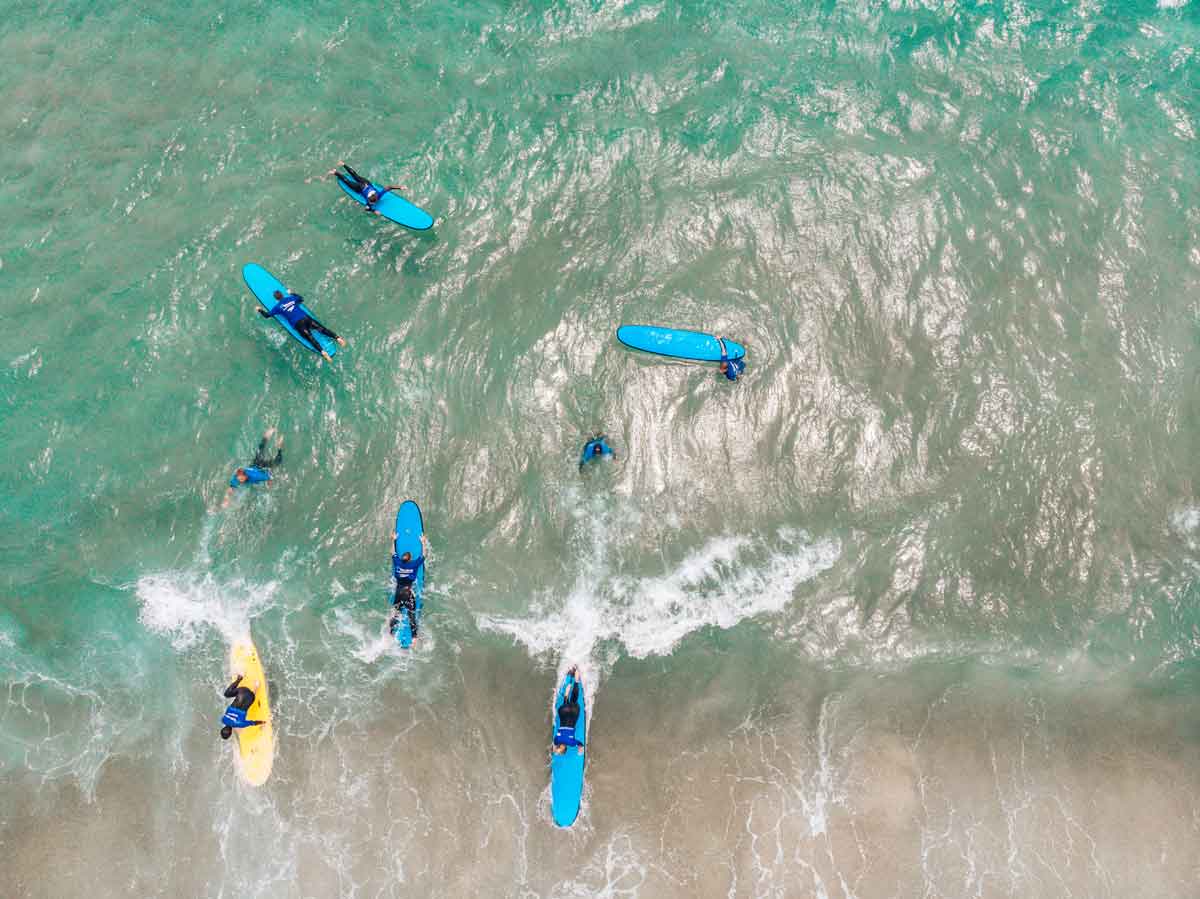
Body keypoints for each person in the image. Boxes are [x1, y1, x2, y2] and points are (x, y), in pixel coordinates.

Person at [258, 289, 346, 362]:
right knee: (322, 329)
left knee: (310, 338)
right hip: (306, 318)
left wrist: (259, 309)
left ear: (276, 299)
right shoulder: (291, 298)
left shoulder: (277, 307)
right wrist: (291, 293)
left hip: (298, 324)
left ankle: (323, 352)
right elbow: (301, 299)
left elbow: (267, 315)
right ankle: (338, 338)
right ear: (282, 295)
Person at [224, 428, 284, 506]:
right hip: (255, 464)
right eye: (239, 479)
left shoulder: (255, 476)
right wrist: (226, 500)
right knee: (260, 449)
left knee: (278, 461)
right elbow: (230, 488)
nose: (240, 481)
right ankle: (266, 435)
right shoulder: (237, 477)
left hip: (261, 467)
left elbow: (269, 477)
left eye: (242, 479)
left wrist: (269, 483)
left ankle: (279, 446)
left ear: (245, 475)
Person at [329, 161, 406, 214]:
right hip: (360, 187)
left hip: (366, 184)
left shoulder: (377, 195)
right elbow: (367, 208)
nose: (371, 203)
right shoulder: (375, 196)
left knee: (355, 176)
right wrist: (374, 211)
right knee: (348, 182)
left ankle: (341, 165)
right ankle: (336, 172)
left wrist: (400, 187)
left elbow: (389, 187)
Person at [219, 674, 265, 740]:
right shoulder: (223, 719)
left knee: (249, 699)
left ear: (231, 733)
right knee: (226, 694)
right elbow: (231, 719)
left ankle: (256, 686)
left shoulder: (240, 724)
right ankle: (239, 679)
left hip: (250, 696)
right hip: (242, 690)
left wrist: (263, 722)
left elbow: (253, 723)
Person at [552, 667, 584, 756]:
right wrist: (555, 749)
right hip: (564, 711)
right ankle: (569, 684)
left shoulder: (571, 743)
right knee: (565, 701)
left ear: (566, 748)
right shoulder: (556, 740)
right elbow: (554, 746)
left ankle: (576, 678)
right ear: (561, 748)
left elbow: (580, 744)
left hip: (573, 712)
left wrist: (580, 750)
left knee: (574, 700)